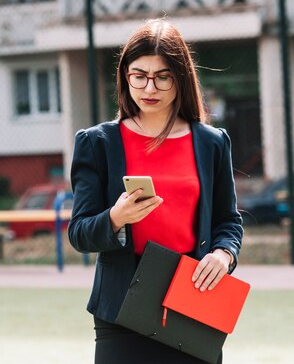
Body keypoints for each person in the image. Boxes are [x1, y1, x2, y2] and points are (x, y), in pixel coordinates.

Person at [68, 19, 243, 364]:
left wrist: (224, 255)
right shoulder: (97, 143)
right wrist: (116, 218)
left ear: (181, 79)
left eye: (163, 76)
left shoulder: (211, 142)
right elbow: (79, 233)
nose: (150, 87)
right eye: (139, 75)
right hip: (121, 304)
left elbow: (228, 221)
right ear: (125, 76)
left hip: (192, 296)